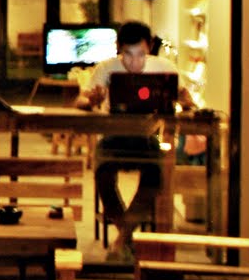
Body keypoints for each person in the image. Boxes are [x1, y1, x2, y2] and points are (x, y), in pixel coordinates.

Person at [77, 20, 192, 262]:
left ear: (149, 47)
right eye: (128, 55)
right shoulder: (106, 68)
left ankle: (121, 240)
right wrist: (91, 100)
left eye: (140, 54)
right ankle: (126, 237)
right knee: (102, 175)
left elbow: (187, 99)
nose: (134, 62)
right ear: (119, 48)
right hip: (114, 137)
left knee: (155, 176)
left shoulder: (164, 67)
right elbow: (81, 101)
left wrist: (184, 101)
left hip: (146, 138)